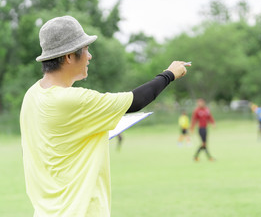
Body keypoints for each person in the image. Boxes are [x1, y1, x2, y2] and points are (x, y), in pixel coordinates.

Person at [20, 15, 190, 217]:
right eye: (85, 49)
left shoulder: (32, 95)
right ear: (68, 56)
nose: (89, 56)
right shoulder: (71, 100)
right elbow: (135, 100)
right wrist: (169, 74)